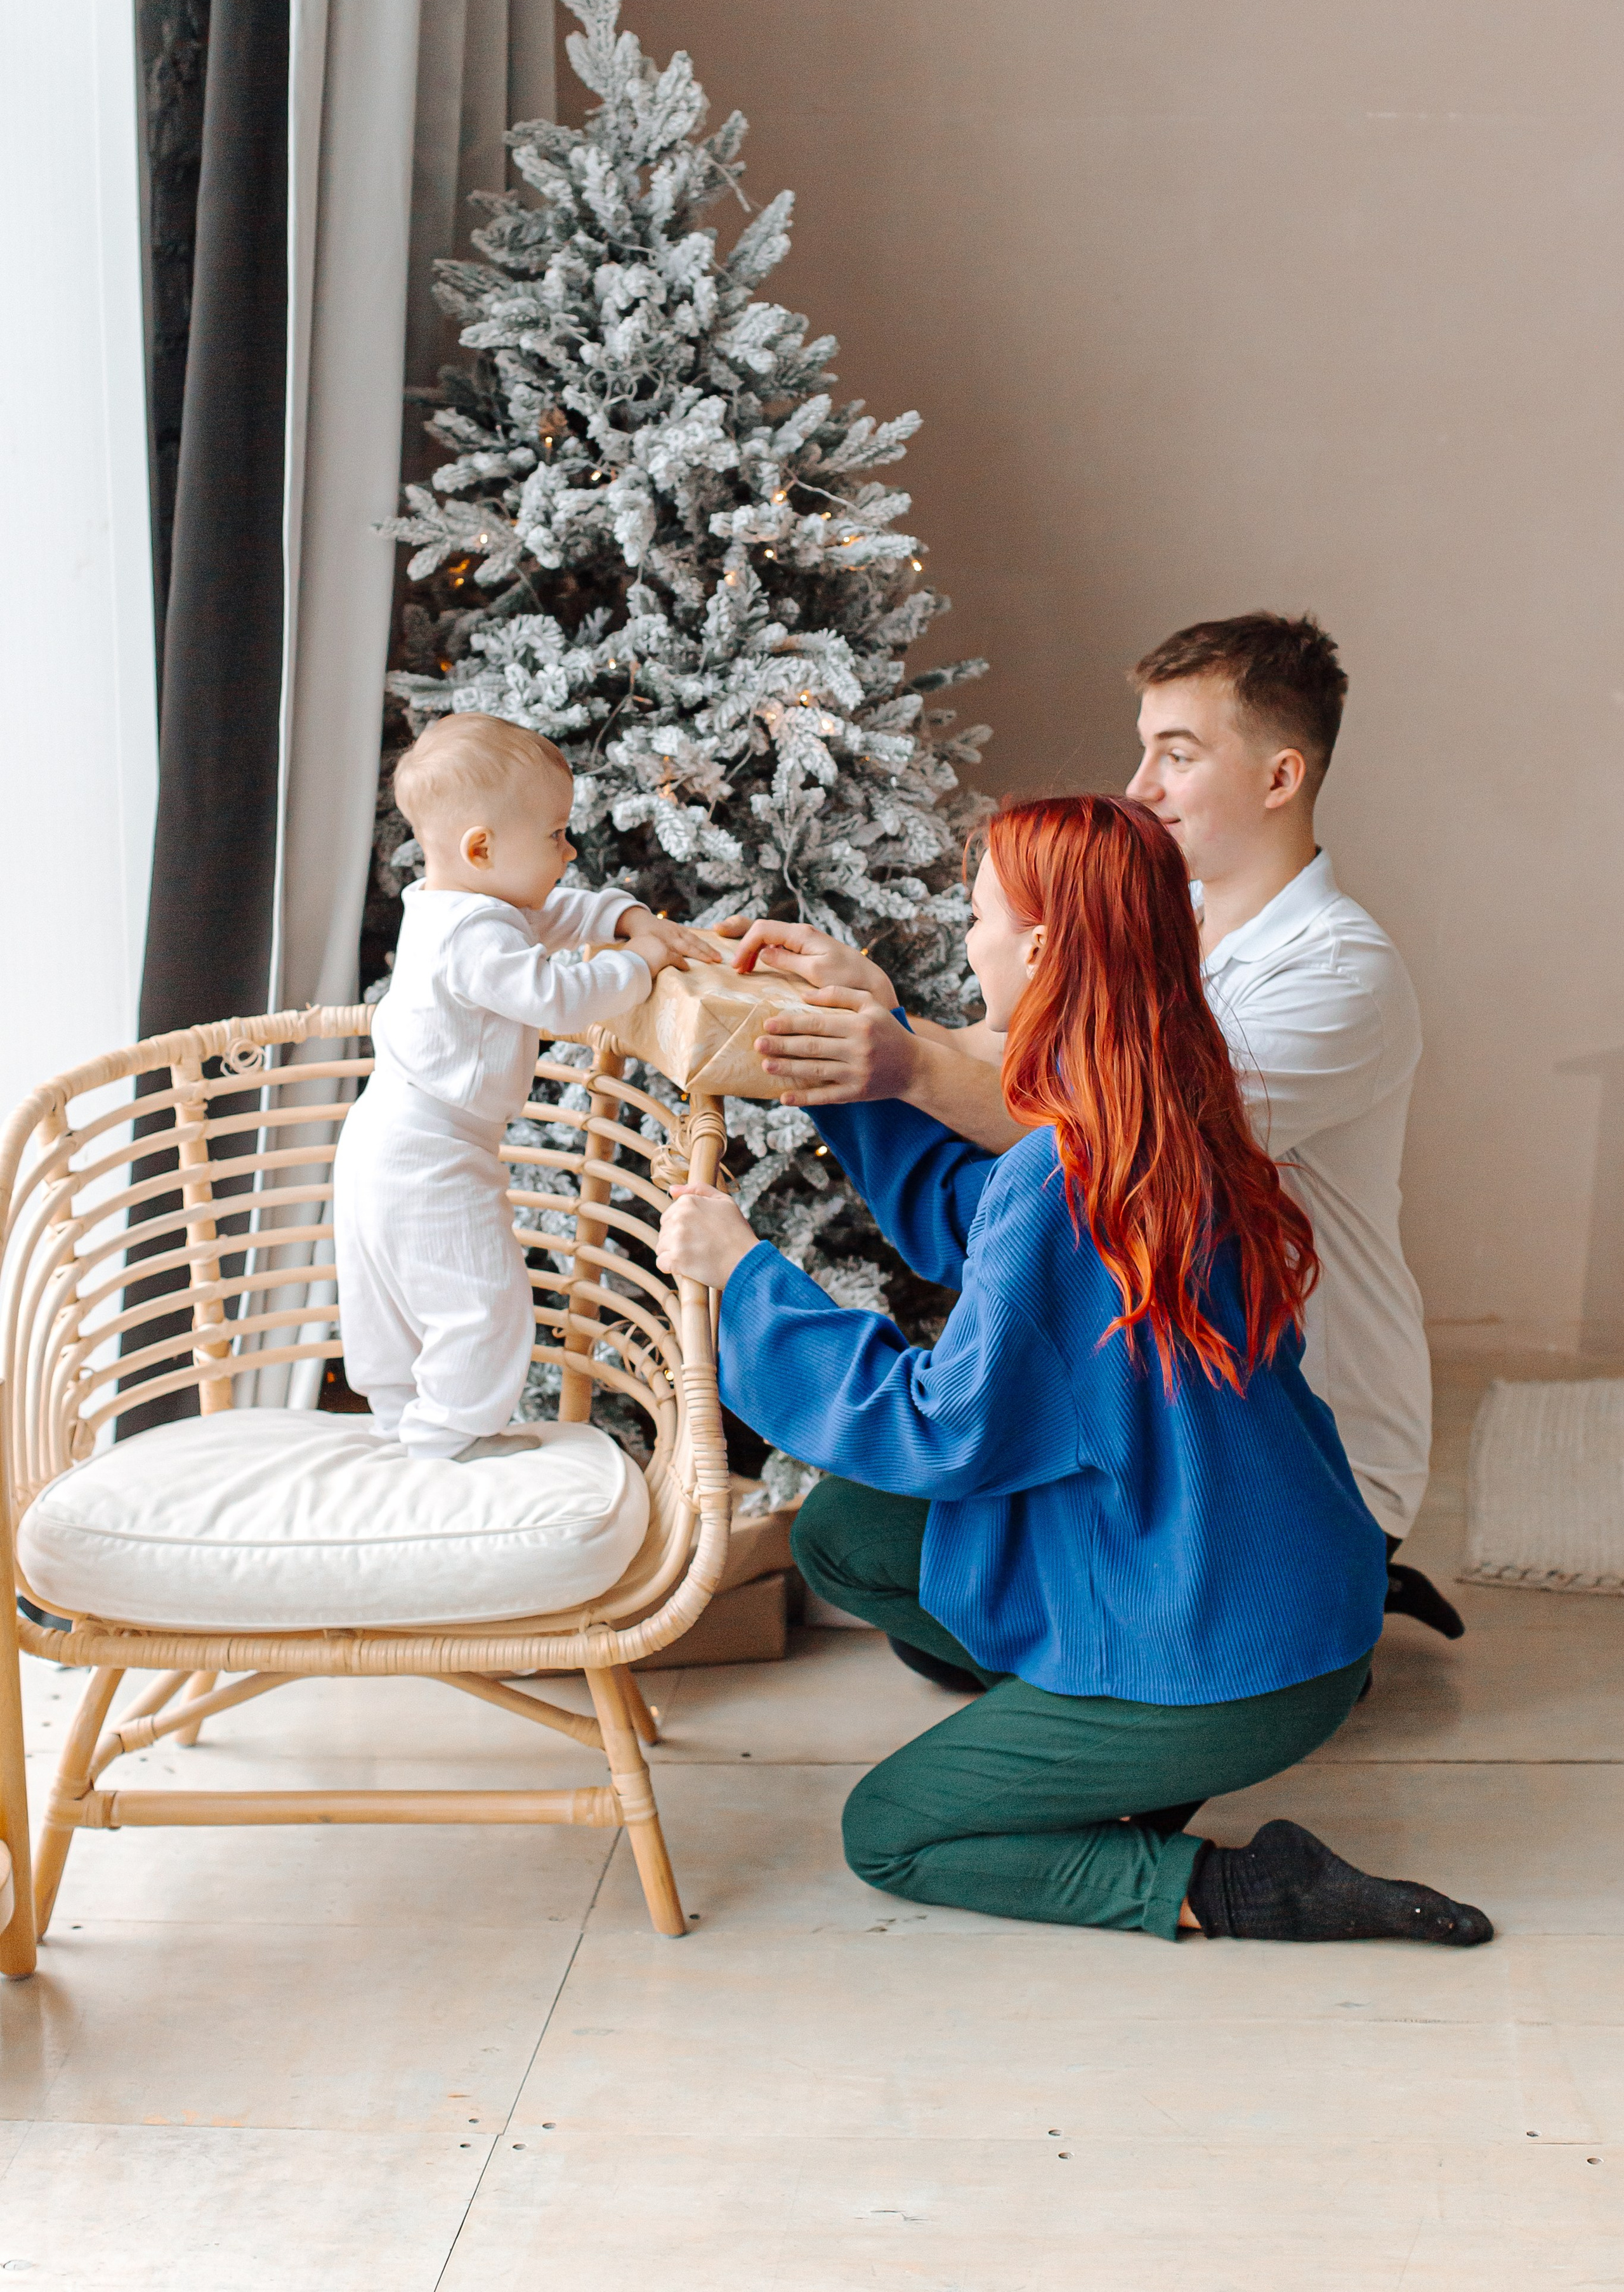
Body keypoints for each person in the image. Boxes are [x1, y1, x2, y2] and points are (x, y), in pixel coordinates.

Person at [658, 795, 1490, 1945]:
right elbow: (974, 1221)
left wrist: (744, 1275)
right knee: (848, 1531)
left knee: (892, 1830)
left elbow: (940, 1431)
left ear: (1044, 949)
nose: (967, 941)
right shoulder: (1159, 1105)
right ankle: (1101, 1740)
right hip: (1264, 1574)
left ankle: (1229, 1882)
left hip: (1235, 1639)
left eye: (979, 916)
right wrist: (862, 1040)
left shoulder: (1072, 1158)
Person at [726, 612, 1460, 1675]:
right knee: (878, 1552)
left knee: (954, 1595)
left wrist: (903, 1060)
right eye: (1144, 747)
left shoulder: (1339, 975)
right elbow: (1001, 1049)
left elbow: (1121, 1140)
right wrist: (876, 1008)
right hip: (1149, 1416)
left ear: (1280, 777)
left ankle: (1278, 1628)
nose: (1145, 784)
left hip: (1288, 1446)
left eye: (1179, 752)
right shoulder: (1159, 921)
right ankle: (1162, 1646)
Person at [334, 713, 716, 1460]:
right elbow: (559, 998)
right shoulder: (476, 934)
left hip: (385, 1140)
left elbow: (556, 912)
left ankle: (401, 1421)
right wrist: (639, 962)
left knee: (389, 1304)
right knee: (484, 1302)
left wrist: (628, 916)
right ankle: (448, 1440)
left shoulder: (456, 904)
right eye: (556, 836)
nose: (569, 851)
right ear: (482, 847)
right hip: (429, 1152)